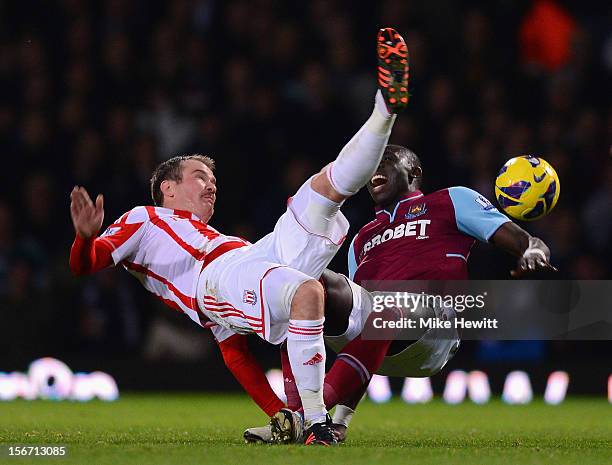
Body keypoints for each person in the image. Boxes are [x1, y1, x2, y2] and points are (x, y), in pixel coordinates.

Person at [69, 27, 410, 446]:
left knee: (323, 189)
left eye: (213, 179)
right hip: (220, 274)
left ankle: (384, 110)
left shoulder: (210, 238)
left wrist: (277, 413)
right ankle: (320, 423)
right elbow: (84, 264)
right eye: (199, 177)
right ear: (167, 190)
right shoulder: (144, 219)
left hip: (253, 255)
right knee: (306, 293)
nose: (211, 185)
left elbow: (234, 354)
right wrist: (86, 237)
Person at [244, 144, 556, 444]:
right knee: (301, 284)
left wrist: (532, 251)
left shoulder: (450, 200)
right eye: (371, 164)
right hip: (385, 333)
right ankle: (302, 417)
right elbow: (365, 332)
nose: (373, 168)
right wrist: (342, 421)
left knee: (389, 306)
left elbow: (526, 240)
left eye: (385, 160)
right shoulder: (360, 239)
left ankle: (303, 416)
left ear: (413, 171)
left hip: (434, 331)